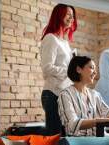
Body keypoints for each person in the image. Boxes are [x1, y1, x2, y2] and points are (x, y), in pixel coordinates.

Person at [40, 4, 77, 135]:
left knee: (64, 135)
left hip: (63, 95)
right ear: (59, 15)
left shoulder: (65, 43)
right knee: (54, 136)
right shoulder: (50, 38)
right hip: (52, 94)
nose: (72, 18)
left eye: (73, 16)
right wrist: (69, 71)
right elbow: (47, 68)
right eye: (68, 14)